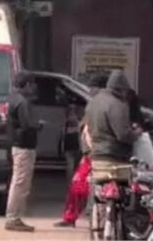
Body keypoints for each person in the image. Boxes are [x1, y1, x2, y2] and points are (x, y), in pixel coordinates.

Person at [55, 73, 107, 228]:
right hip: (89, 153)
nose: (89, 90)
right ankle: (71, 217)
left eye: (92, 87)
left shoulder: (102, 105)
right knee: (78, 185)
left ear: (100, 88)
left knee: (88, 187)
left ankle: (94, 219)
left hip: (98, 153)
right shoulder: (93, 104)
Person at [5, 71, 41, 232]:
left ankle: (15, 217)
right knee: (20, 183)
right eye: (32, 84)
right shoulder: (22, 102)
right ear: (26, 85)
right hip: (24, 146)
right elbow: (27, 124)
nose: (33, 88)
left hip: (17, 145)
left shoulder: (12, 98)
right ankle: (13, 218)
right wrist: (39, 125)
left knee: (19, 182)